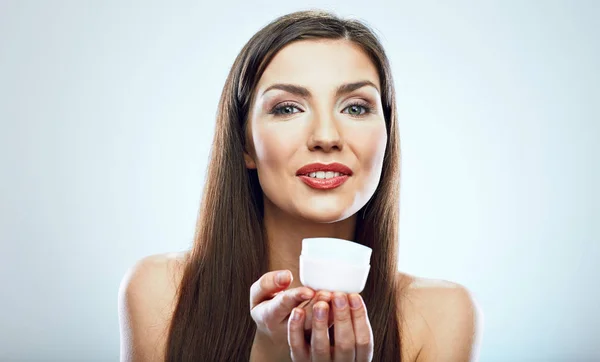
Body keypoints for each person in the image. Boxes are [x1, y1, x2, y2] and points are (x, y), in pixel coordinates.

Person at [118, 9, 482, 362]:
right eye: (288, 108)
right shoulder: (160, 292)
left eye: (355, 108)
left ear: (387, 136)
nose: (326, 136)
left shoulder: (441, 316)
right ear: (245, 144)